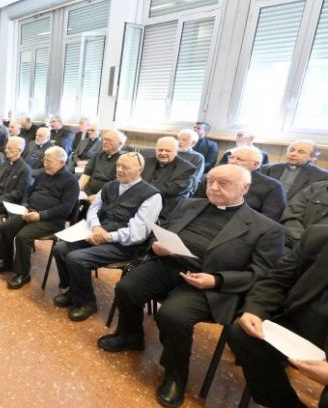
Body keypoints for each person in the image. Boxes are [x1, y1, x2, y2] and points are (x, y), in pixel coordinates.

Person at [98, 164, 284, 408]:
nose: (213, 187)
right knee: (127, 288)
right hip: (170, 263)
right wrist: (156, 245)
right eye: (210, 181)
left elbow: (260, 273)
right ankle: (130, 335)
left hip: (210, 281)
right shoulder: (189, 205)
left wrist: (217, 279)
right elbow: (160, 231)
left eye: (223, 183)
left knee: (173, 315)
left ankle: (176, 374)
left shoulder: (266, 228)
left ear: (245, 188)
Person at [227, 224, 328, 408]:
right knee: (241, 334)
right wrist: (255, 310)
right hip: (302, 325)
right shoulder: (318, 236)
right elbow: (278, 279)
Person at [52, 152, 161, 322]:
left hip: (126, 246)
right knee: (60, 248)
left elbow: (138, 234)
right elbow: (94, 209)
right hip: (100, 233)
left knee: (76, 258)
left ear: (140, 170)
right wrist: (96, 227)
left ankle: (87, 303)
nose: (119, 170)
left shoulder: (152, 196)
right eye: (118, 165)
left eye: (125, 167)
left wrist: (106, 237)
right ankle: (74, 291)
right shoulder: (110, 186)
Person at [0, 147, 79, 290]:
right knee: (6, 227)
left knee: (23, 236)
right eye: (44, 160)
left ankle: (23, 274)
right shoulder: (43, 175)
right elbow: (28, 192)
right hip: (30, 211)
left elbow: (65, 209)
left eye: (49, 161)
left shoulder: (71, 182)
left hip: (51, 221)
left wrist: (40, 215)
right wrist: (25, 206)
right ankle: (6, 262)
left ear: (61, 162)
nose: (45, 164)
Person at [194, 146, 286, 222]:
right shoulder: (213, 177)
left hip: (245, 225)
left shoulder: (272, 186)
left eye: (239, 159)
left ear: (256, 164)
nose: (232, 161)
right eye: (231, 157)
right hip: (206, 219)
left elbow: (270, 217)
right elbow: (195, 202)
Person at [141, 137, 196, 218]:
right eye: (160, 150)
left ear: (176, 152)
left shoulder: (186, 168)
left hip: (164, 208)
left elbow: (171, 189)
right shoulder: (145, 162)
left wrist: (142, 187)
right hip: (139, 201)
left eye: (168, 151)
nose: (163, 153)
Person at [261, 139, 328, 201]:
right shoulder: (267, 168)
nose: (293, 154)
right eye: (291, 150)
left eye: (301, 152)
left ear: (312, 157)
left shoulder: (322, 176)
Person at [280, 180, 328, 249]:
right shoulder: (316, 188)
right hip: (294, 242)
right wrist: (300, 241)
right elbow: (291, 215)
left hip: (322, 251)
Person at [79, 130, 126, 199]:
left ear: (120, 144)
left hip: (107, 196)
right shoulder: (96, 155)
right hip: (88, 192)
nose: (104, 142)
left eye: (109, 140)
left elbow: (118, 185)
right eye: (104, 139)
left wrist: (99, 197)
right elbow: (86, 175)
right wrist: (77, 189)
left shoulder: (124, 159)